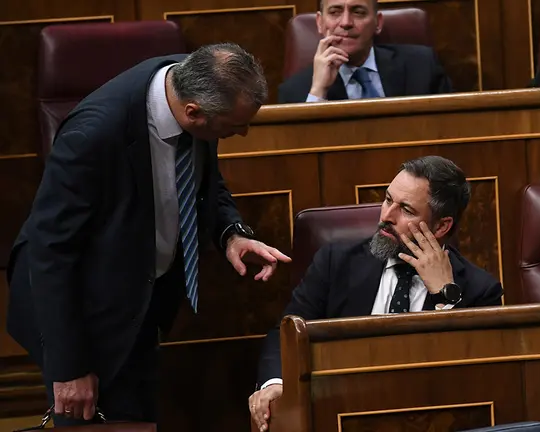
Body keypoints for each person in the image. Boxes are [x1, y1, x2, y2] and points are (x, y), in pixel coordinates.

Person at [5, 43, 291, 425]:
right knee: (93, 417)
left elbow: (204, 179)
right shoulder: (93, 134)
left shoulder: (186, 81)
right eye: (235, 127)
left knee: (139, 416)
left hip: (140, 295)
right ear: (193, 113)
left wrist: (231, 233)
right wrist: (69, 367)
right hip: (81, 309)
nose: (242, 133)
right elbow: (51, 251)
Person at [248, 156, 503, 431]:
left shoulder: (480, 290)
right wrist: (276, 383)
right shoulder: (336, 262)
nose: (386, 216)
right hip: (342, 415)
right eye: (387, 199)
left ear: (441, 226)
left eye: (405, 209)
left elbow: (473, 380)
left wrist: (444, 296)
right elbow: (284, 334)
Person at [278, 0, 453, 103]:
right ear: (320, 23)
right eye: (335, 12)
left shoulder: (423, 66)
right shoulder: (295, 91)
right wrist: (318, 91)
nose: (346, 22)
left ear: (378, 23)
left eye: (358, 12)